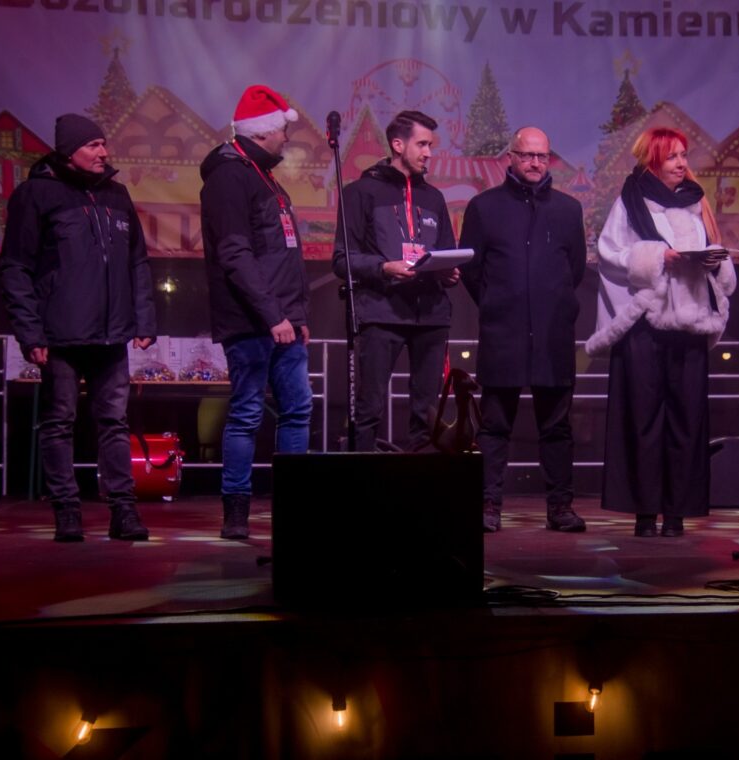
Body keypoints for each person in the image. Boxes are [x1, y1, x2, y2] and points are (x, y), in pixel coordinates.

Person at [0, 113, 157, 542]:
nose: (104, 152)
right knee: (59, 422)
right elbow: (16, 268)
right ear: (69, 152)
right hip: (60, 334)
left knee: (115, 422)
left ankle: (123, 511)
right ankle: (67, 511)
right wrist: (30, 332)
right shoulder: (36, 195)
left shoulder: (117, 194)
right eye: (93, 145)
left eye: (103, 144)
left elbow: (137, 262)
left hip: (112, 333)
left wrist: (144, 318)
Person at [586, 127, 736, 537]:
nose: (682, 164)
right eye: (672, 157)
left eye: (684, 155)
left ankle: (676, 512)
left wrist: (715, 261)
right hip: (646, 323)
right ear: (652, 160)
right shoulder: (631, 201)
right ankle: (644, 512)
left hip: (689, 322)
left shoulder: (695, 202)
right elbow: (609, 253)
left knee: (686, 419)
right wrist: (657, 257)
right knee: (643, 418)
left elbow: (715, 249)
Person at [460, 127, 588, 533]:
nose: (535, 163)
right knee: (494, 426)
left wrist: (553, 305)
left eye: (542, 156)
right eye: (527, 155)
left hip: (553, 336)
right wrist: (498, 305)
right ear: (510, 158)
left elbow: (575, 270)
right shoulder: (484, 207)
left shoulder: (568, 210)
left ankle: (560, 507)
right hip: (504, 334)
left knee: (557, 428)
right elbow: (471, 271)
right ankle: (487, 504)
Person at [201, 85, 312, 539]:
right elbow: (236, 255)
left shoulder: (264, 177)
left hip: (283, 319)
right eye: (283, 130)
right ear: (262, 131)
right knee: (247, 412)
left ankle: (294, 507)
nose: (287, 137)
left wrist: (296, 316)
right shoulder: (230, 177)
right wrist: (273, 315)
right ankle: (236, 511)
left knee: (298, 410)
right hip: (252, 320)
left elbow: (281, 254)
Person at [333, 110, 460, 452]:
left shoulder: (434, 198)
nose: (428, 153)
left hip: (431, 316)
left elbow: (446, 252)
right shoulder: (360, 192)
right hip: (381, 313)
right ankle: (363, 478)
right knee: (369, 407)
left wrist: (448, 272)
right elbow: (342, 260)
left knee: (427, 411)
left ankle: (418, 478)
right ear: (398, 145)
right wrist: (384, 268)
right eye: (422, 144)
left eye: (431, 145)